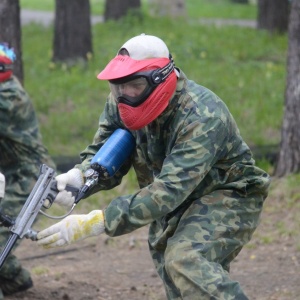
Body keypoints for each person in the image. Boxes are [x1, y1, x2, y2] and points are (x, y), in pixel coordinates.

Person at [37, 34, 271, 299]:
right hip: (173, 198)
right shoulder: (121, 100)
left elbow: (169, 190)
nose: (124, 95)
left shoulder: (203, 115)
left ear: (159, 79)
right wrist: (81, 177)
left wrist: (99, 221)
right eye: (118, 86)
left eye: (134, 85)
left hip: (228, 192)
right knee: (176, 278)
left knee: (185, 262)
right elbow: (105, 151)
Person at [0, 43, 56, 299]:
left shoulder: (7, 98)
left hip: (31, 179)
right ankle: (14, 281)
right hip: (12, 177)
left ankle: (13, 281)